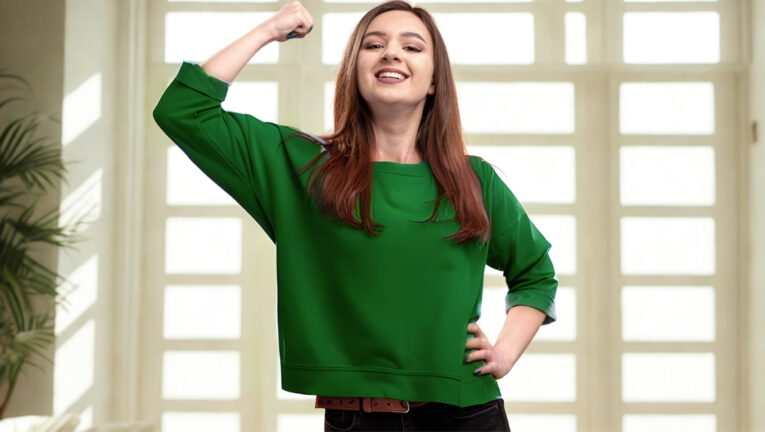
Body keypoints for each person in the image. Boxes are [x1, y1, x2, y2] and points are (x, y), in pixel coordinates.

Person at [152, 0, 558, 430]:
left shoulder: (475, 180)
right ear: (354, 70)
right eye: (374, 44)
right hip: (356, 419)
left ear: (436, 80)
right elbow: (183, 110)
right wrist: (270, 30)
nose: (392, 53)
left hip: (468, 415)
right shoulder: (302, 165)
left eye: (413, 46)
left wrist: (506, 352)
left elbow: (536, 272)